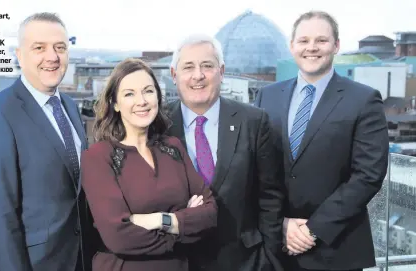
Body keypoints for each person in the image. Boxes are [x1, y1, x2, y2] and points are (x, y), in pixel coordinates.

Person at [254, 11, 389, 271]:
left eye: (321, 40)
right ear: (292, 46)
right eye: (303, 40)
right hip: (275, 247)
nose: (311, 48)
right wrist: (279, 223)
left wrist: (312, 230)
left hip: (336, 248)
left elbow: (368, 174)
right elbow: (253, 167)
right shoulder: (266, 97)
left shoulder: (363, 99)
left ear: (336, 45)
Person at [0, 12, 93, 271]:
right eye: (39, 48)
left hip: (75, 261)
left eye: (60, 47)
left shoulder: (69, 106)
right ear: (19, 55)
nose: (52, 57)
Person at [80, 58, 218, 271]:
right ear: (115, 103)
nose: (141, 101)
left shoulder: (174, 148)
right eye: (129, 94)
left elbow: (209, 214)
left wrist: (158, 220)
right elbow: (118, 238)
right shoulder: (98, 157)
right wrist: (182, 227)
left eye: (148, 91)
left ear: (158, 96)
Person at [167, 34, 285, 271]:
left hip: (245, 261)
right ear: (174, 75)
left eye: (207, 66)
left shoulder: (253, 121)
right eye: (188, 67)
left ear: (221, 71)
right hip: (177, 261)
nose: (198, 75)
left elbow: (270, 196)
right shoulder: (157, 126)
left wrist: (269, 258)